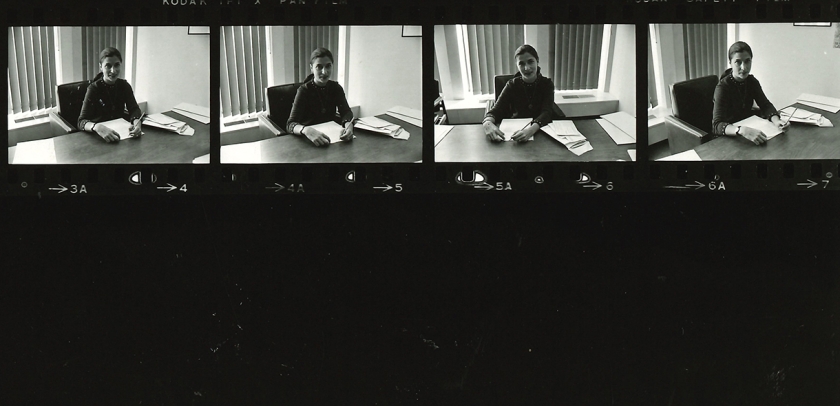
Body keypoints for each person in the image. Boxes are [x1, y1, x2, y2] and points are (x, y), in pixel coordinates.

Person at [712, 41, 788, 146]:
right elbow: (717, 125)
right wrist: (741, 130)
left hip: (748, 133)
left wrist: (776, 120)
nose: (744, 67)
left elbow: (765, 104)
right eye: (738, 62)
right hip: (729, 137)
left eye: (747, 61)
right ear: (730, 62)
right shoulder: (722, 87)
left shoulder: (752, 81)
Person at [482, 44, 561, 142]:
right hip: (515, 134)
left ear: (537, 61)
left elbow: (547, 112)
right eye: (521, 64)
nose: (527, 68)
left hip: (540, 131)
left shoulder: (547, 84)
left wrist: (530, 131)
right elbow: (496, 110)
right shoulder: (512, 85)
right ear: (517, 66)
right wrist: (487, 124)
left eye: (530, 62)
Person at [287, 48, 355, 147]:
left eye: (328, 66)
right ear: (311, 68)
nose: (324, 72)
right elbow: (290, 124)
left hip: (332, 140)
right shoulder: (303, 90)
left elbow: (346, 112)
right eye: (319, 67)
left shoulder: (336, 88)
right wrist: (306, 130)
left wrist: (349, 126)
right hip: (309, 141)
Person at [78, 47, 143, 143]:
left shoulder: (124, 85)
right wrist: (97, 127)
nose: (113, 70)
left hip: (121, 136)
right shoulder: (93, 89)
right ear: (101, 67)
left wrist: (137, 123)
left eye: (117, 65)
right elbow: (81, 121)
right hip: (98, 138)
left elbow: (134, 109)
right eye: (108, 66)